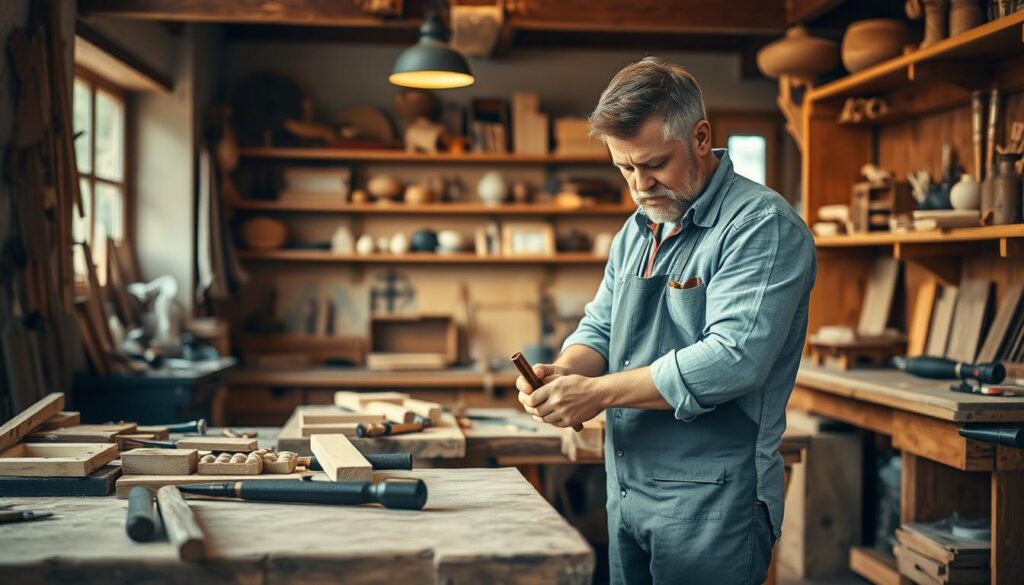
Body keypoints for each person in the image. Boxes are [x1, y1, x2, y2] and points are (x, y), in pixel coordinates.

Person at [515, 57, 816, 584]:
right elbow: (601, 328)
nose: (639, 184)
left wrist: (599, 393)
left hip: (714, 503)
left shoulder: (761, 226)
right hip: (629, 487)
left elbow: (734, 359)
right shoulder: (638, 230)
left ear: (701, 137)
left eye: (653, 163)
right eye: (625, 168)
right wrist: (565, 372)